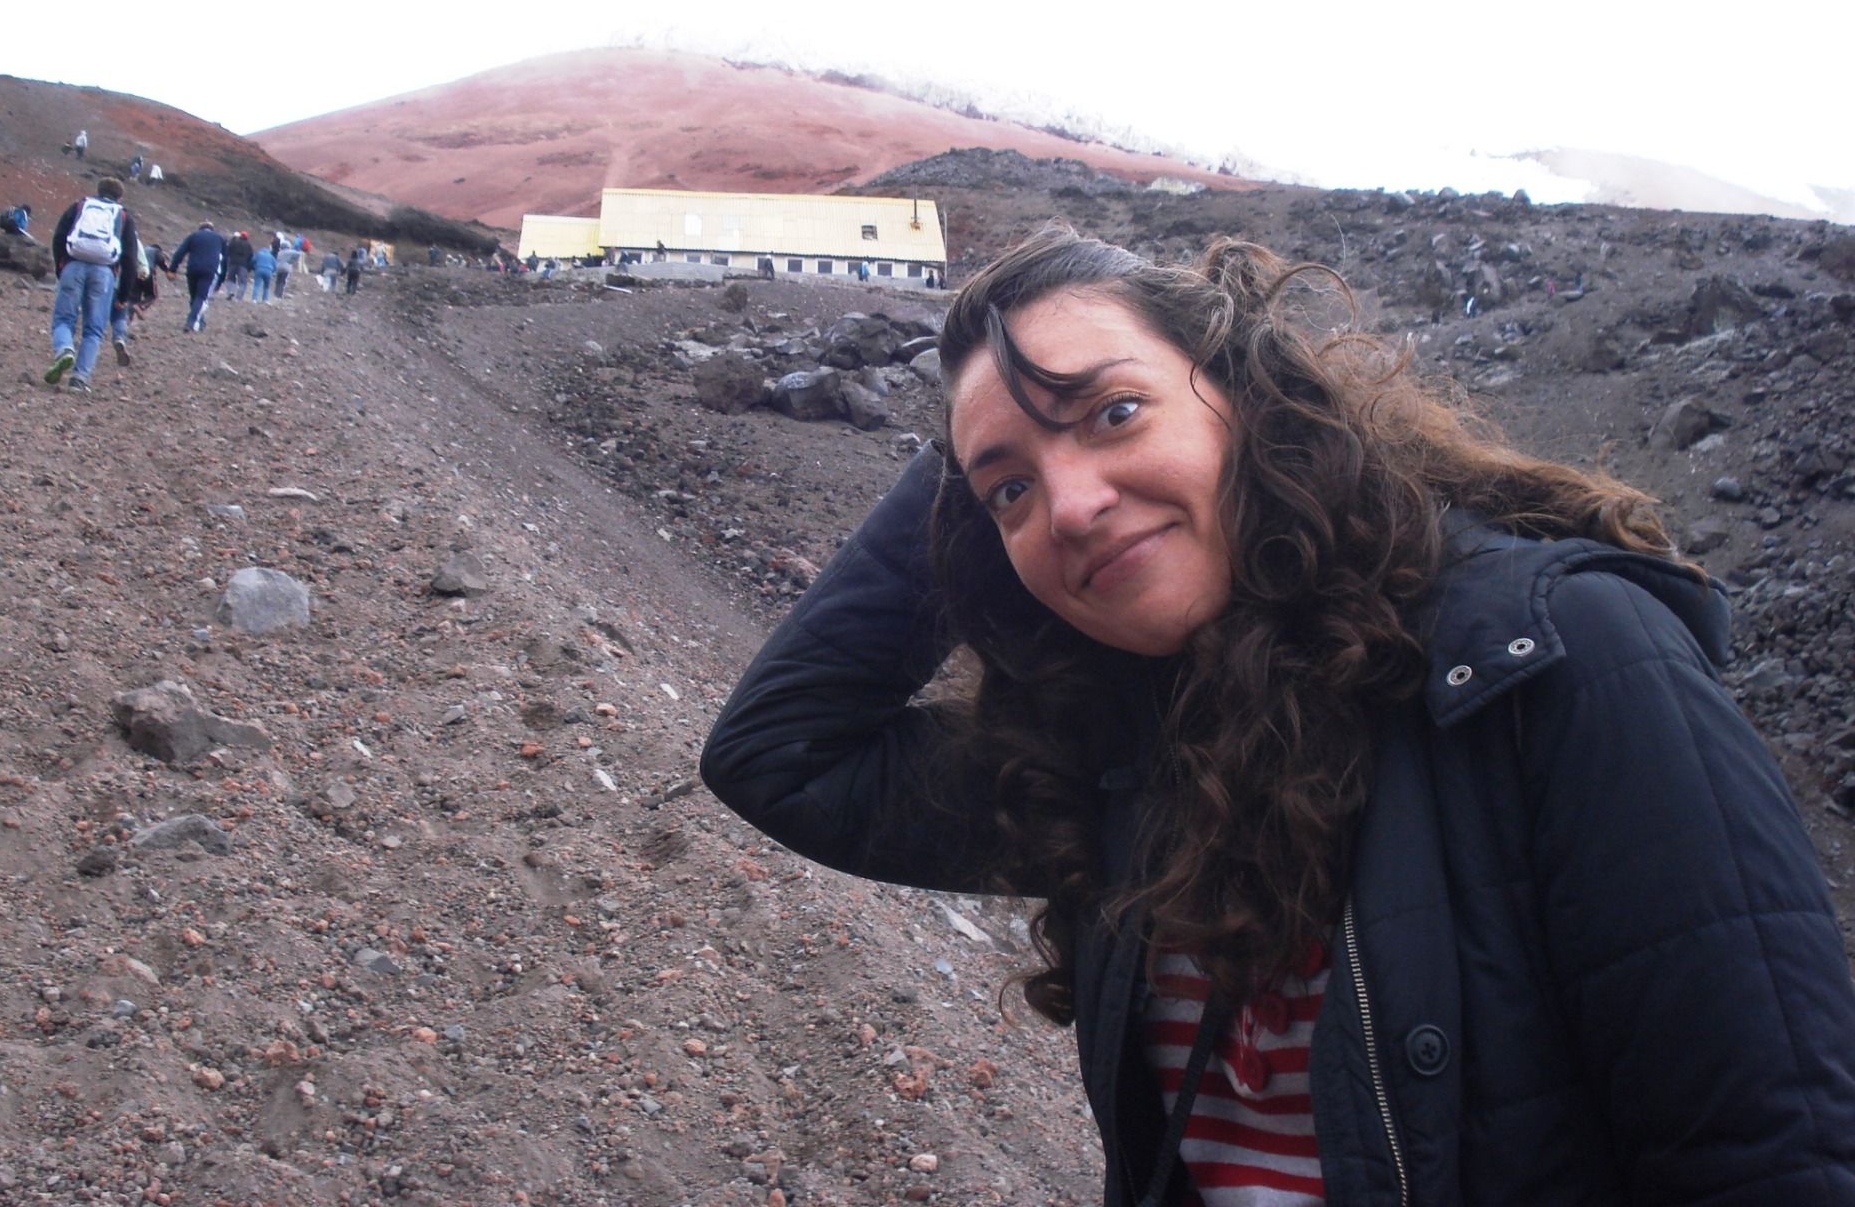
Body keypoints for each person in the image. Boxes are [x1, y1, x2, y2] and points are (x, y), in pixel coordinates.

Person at [702, 228, 1855, 1207]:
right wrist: (971, 431)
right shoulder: (1105, 750)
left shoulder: (1552, 660)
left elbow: (1776, 1156)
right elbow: (781, 755)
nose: (1072, 505)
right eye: (1010, 490)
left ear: (1244, 395)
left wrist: (1006, 409)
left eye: (1113, 412)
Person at [45, 178, 140, 392]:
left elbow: (59, 237)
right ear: (119, 197)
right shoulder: (123, 216)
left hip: (73, 266)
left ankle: (65, 349)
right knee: (94, 329)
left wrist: (61, 267)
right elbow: (130, 259)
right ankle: (79, 379)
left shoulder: (80, 206)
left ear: (98, 190)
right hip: (104, 274)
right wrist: (123, 296)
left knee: (63, 319)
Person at [109, 240, 162, 367]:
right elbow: (145, 266)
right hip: (136, 275)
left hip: (110, 280)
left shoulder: (111, 236)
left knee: (128, 301)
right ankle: (120, 337)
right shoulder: (136, 241)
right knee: (149, 296)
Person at [167, 220, 226, 333]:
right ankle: (191, 323)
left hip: (192, 269)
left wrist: (172, 269)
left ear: (200, 228)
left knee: (194, 297)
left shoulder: (193, 236)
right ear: (212, 229)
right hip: (209, 270)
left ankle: (199, 322)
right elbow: (224, 261)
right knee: (200, 297)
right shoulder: (219, 238)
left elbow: (180, 252)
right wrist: (221, 280)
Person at [221, 230, 254, 301]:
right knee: (242, 282)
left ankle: (231, 291)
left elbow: (228, 252)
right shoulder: (249, 245)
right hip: (243, 265)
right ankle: (239, 297)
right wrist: (249, 267)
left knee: (230, 278)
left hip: (233, 263)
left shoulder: (233, 242)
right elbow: (251, 257)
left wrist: (228, 261)